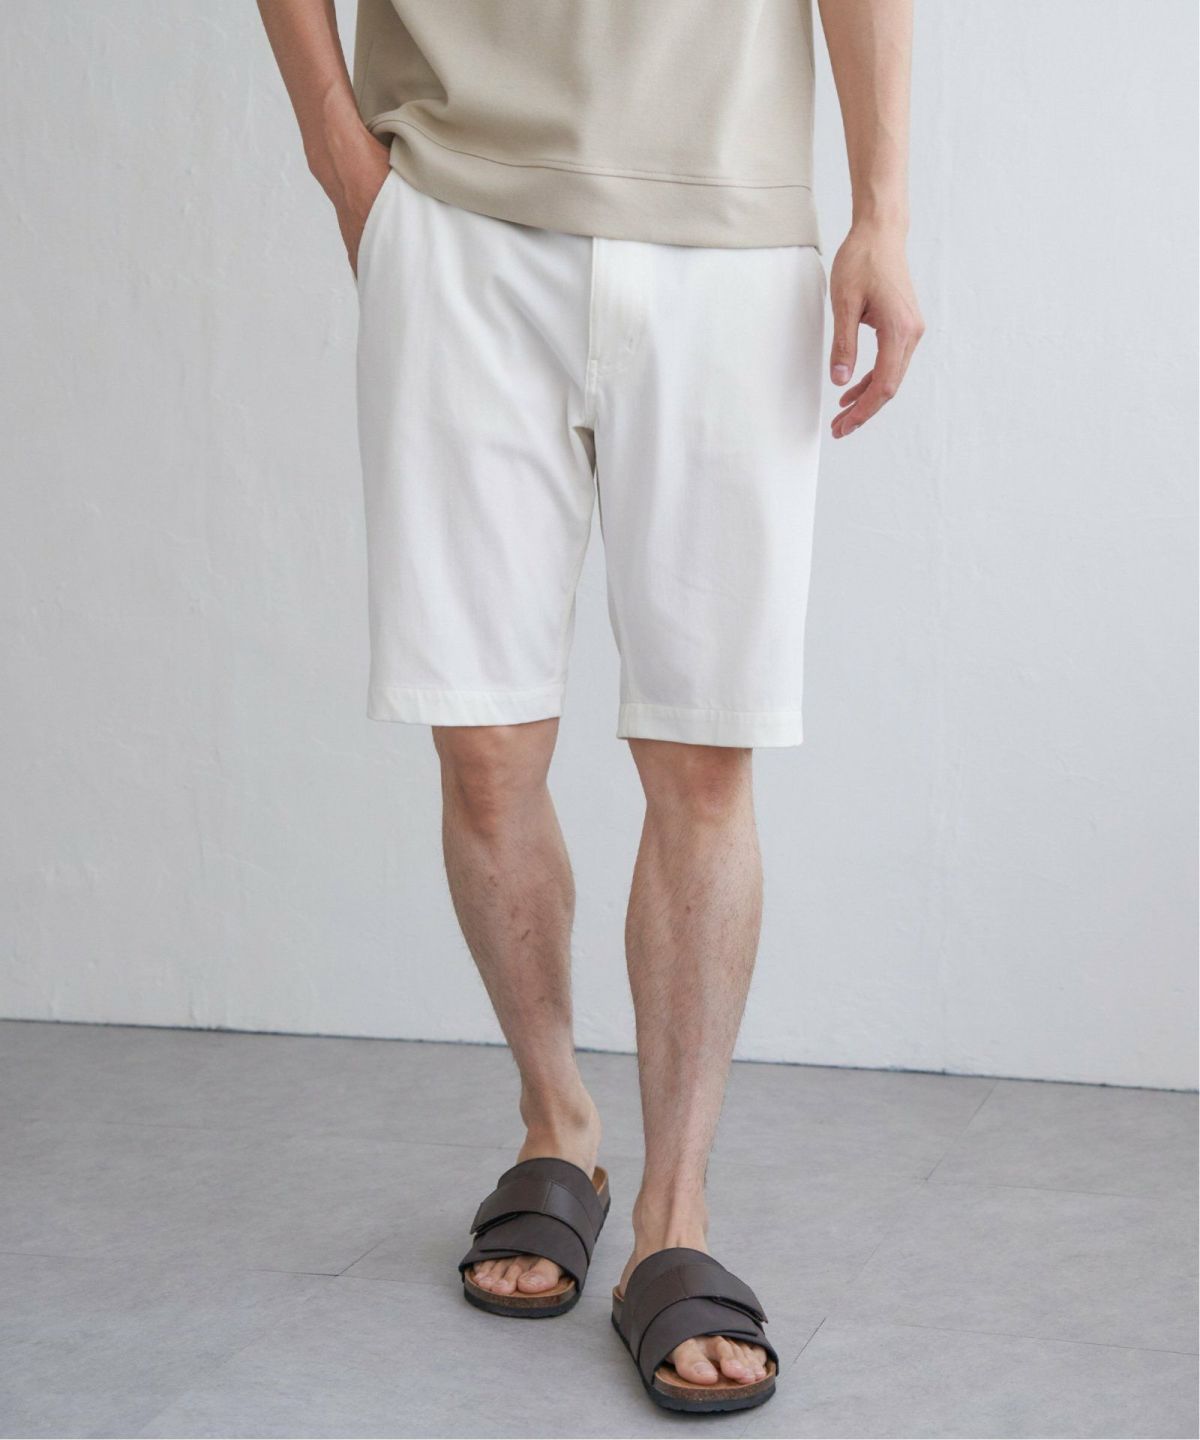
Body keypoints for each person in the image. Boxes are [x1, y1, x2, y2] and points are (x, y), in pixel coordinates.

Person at [258, 0, 922, 1414]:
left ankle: (674, 1213)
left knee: (704, 757)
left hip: (729, 235)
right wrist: (342, 160)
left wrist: (882, 208)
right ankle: (557, 1117)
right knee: (484, 744)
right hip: (453, 215)